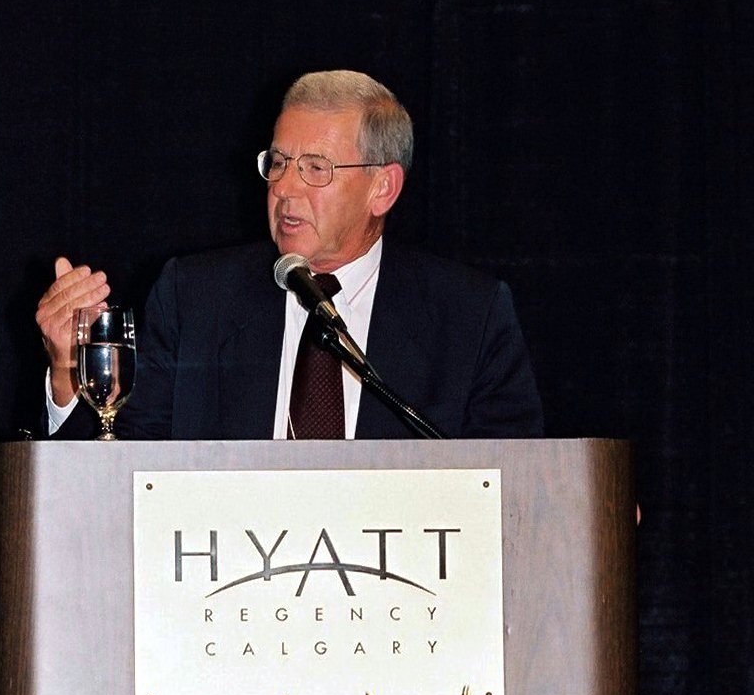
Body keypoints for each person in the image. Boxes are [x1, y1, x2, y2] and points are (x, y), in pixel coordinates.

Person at [37, 70, 543, 439]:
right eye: (278, 163)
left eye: (315, 168)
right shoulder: (196, 298)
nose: (285, 188)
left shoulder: (468, 315)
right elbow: (120, 472)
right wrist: (67, 370)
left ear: (382, 188)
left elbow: (512, 491)